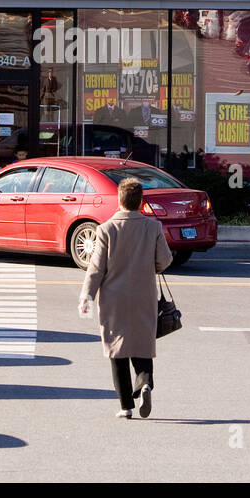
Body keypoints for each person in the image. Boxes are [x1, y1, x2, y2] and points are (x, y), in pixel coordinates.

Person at [77, 177, 174, 420]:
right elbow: (165, 261)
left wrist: (87, 295)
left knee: (116, 350)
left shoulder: (106, 229)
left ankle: (125, 406)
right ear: (141, 202)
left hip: (114, 299)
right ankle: (144, 384)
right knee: (142, 345)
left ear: (119, 200)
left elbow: (96, 268)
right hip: (144, 296)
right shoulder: (152, 228)